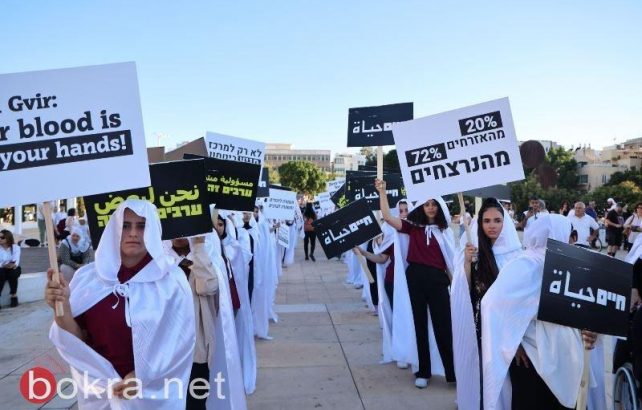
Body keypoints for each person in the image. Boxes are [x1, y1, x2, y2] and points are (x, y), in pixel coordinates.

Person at [44, 199, 195, 408]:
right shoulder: (88, 278)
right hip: (101, 394)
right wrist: (62, 307)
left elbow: (180, 344)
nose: (133, 233)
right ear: (114, 229)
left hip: (154, 395)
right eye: (125, 225)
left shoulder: (172, 280)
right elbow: (76, 341)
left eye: (142, 226)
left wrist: (141, 376)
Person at [481, 214, 589, 409]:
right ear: (556, 235)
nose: (572, 241)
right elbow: (492, 304)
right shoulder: (526, 264)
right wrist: (514, 343)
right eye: (569, 235)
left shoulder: (565, 264)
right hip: (530, 357)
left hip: (560, 356)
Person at [376, 178, 456, 389]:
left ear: (439, 207)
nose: (430, 208)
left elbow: (450, 263)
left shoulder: (445, 231)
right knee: (418, 326)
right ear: (421, 206)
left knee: (444, 327)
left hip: (438, 281)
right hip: (415, 279)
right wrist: (382, 192)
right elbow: (387, 217)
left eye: (434, 204)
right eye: (427, 204)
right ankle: (423, 371)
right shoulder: (412, 227)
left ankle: (452, 372)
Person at [451, 198, 522, 409]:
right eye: (487, 221)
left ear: (505, 223)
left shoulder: (516, 255)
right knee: (483, 374)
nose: (492, 226)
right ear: (480, 223)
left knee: (506, 380)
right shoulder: (473, 251)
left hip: (508, 327)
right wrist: (466, 262)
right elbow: (463, 289)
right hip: (481, 325)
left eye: (497, 220)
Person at [165, 235, 219, 410]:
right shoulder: (160, 260)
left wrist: (199, 246)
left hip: (197, 348)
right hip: (169, 351)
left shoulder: (205, 254)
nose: (179, 235)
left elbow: (208, 287)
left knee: (196, 401)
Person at [0, 230, 21, 308]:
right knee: (1, 273)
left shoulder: (15, 248)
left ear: (8, 238)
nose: (0, 239)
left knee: (13, 273)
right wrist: (3, 265)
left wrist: (11, 265)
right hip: (1, 268)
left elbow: (16, 261)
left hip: (12, 268)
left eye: (2, 237)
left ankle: (13, 295)